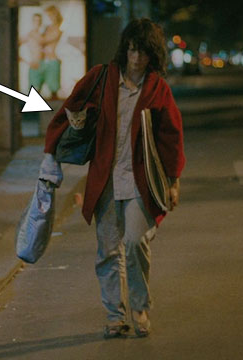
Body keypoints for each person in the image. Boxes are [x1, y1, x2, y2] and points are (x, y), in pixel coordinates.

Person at [44, 18, 185, 338]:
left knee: (135, 241)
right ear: (125, 49)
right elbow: (70, 109)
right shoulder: (102, 77)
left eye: (143, 53)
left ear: (153, 56)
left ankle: (139, 306)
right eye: (132, 50)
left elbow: (171, 136)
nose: (136, 58)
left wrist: (174, 179)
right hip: (105, 179)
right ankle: (114, 316)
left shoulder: (156, 88)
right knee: (108, 250)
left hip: (140, 179)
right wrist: (57, 145)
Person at [40, 5, 63, 99]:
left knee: (53, 90)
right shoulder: (47, 28)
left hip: (52, 60)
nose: (49, 18)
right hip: (43, 60)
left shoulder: (58, 29)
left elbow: (44, 40)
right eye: (48, 16)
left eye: (51, 15)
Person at [19, 13, 44, 91]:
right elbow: (14, 47)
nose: (37, 22)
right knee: (34, 92)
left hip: (44, 65)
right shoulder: (29, 35)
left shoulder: (42, 35)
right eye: (36, 20)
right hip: (35, 66)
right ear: (32, 22)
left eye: (39, 21)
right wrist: (27, 62)